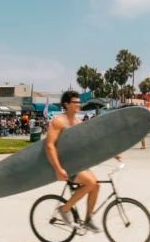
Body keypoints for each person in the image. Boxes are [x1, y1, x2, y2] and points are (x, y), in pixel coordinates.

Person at [44, 90, 121, 233]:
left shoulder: (78, 122)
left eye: (79, 102)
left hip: (78, 163)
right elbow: (49, 145)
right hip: (66, 165)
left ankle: (88, 219)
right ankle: (64, 209)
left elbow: (91, 142)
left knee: (96, 186)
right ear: (66, 104)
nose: (79, 104)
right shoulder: (59, 121)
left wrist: (112, 153)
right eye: (75, 102)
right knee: (90, 183)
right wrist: (58, 168)